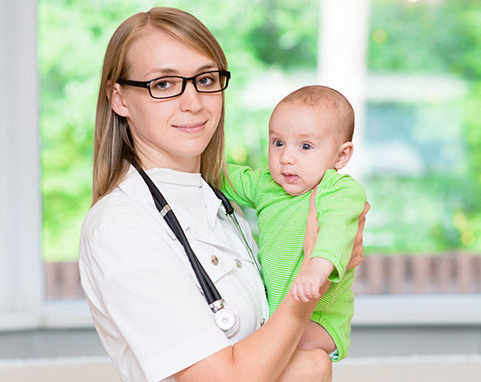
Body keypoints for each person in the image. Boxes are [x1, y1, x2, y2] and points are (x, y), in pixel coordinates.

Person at [78, 7, 368, 382]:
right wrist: (310, 288)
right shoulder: (121, 228)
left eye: (205, 79)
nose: (193, 102)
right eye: (164, 84)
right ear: (119, 99)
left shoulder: (223, 203)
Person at [223, 85, 366, 362]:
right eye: (278, 143)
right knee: (257, 352)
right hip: (275, 313)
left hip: (320, 319)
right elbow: (224, 176)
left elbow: (337, 230)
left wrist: (316, 269)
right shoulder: (266, 185)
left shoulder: (338, 189)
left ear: (341, 156)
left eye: (305, 146)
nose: (286, 158)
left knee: (259, 355)